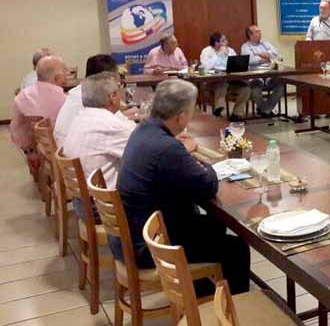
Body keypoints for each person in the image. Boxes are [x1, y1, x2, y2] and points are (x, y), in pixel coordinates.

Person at [116, 79, 249, 296]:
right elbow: (207, 186)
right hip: (151, 246)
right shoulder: (166, 147)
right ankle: (230, 306)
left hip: (137, 232)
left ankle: (202, 288)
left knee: (214, 226)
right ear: (180, 117)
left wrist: (184, 153)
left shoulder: (143, 130)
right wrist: (204, 164)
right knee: (237, 248)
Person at [62, 72, 136, 220]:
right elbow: (145, 152)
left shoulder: (81, 117)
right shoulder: (110, 125)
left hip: (83, 201)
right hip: (102, 208)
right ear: (112, 97)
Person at [54, 54, 135, 145]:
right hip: (77, 148)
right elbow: (121, 127)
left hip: (67, 147)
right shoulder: (93, 96)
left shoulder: (78, 92)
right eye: (117, 80)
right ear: (108, 78)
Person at [11, 56, 69, 172]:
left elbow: (15, 128)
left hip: (35, 149)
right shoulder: (64, 100)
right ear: (57, 78)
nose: (67, 76)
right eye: (65, 73)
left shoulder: (22, 96)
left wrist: (30, 149)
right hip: (59, 153)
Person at [200, 32, 250, 121]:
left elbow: (235, 63)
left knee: (246, 89)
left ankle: (236, 114)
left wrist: (227, 54)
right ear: (215, 42)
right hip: (213, 82)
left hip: (230, 80)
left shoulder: (230, 50)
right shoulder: (206, 51)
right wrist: (219, 54)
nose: (224, 43)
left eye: (225, 40)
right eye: (222, 41)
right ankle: (218, 111)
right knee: (222, 84)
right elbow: (206, 67)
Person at [241, 25, 284, 116]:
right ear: (250, 35)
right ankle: (265, 110)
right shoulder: (245, 47)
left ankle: (265, 109)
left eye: (260, 31)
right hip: (255, 75)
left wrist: (259, 54)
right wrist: (264, 57)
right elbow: (250, 60)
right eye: (257, 32)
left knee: (280, 86)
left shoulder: (265, 43)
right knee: (255, 87)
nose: (260, 33)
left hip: (269, 74)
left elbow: (275, 53)